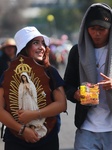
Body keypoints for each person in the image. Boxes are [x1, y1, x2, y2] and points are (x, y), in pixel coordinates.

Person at [0, 26, 67, 150]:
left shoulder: (50, 72)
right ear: (24, 47)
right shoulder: (8, 74)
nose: (41, 47)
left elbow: (62, 104)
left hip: (47, 139)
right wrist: (22, 130)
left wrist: (34, 114)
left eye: (43, 43)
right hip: (16, 140)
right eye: (35, 43)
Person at [64, 3, 112, 150]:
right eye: (93, 29)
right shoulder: (77, 52)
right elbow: (67, 85)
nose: (97, 33)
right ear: (85, 29)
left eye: (102, 29)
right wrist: (76, 94)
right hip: (87, 128)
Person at [18, 72, 47, 138]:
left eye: (24, 77)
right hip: (24, 100)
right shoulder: (21, 85)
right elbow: (20, 94)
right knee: (25, 112)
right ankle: (28, 127)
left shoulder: (30, 84)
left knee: (32, 111)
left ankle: (34, 127)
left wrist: (29, 89)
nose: (24, 78)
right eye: (22, 77)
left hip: (30, 99)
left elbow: (33, 93)